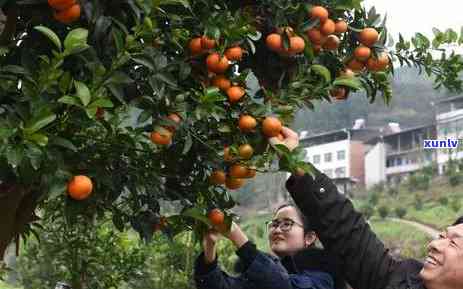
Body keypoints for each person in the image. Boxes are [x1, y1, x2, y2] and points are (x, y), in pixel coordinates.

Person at [272, 126, 463, 289]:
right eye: (443, 236)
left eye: (453, 243)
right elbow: (347, 233)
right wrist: (295, 162)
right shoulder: (402, 281)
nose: (434, 244)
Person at [194, 203, 346, 289]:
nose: (277, 229)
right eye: (274, 224)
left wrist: (238, 238)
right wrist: (210, 246)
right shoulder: (262, 274)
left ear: (309, 237)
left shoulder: (323, 278)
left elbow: (283, 285)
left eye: (287, 224)